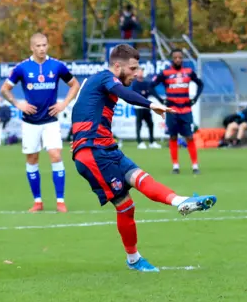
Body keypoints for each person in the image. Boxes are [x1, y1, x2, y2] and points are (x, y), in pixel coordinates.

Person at [71, 44, 216, 272]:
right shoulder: (106, 78)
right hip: (91, 151)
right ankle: (134, 260)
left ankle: (181, 201)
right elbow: (123, 94)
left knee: (139, 176)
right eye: (133, 68)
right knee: (125, 205)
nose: (137, 73)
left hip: (105, 147)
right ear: (117, 66)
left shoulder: (96, 80)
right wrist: (151, 104)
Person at [0, 33, 81, 213]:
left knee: (56, 156)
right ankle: (38, 202)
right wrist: (18, 103)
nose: (42, 48)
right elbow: (5, 89)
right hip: (30, 123)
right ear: (32, 48)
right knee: (32, 159)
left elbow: (75, 84)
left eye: (44, 45)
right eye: (38, 46)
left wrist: (64, 103)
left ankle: (60, 201)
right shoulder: (22, 68)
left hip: (51, 121)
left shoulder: (57, 66)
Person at [151, 49, 204, 174]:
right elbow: (151, 86)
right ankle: (175, 166)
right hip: (171, 111)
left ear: (183, 59)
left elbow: (200, 84)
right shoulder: (165, 73)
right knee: (173, 136)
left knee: (189, 137)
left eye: (180, 57)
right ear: (172, 59)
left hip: (186, 110)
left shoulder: (189, 72)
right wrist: (160, 100)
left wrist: (195, 98)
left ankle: (195, 166)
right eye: (175, 57)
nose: (178, 59)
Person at [131, 67, 161, 149]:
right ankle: (139, 142)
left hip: (147, 106)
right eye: (140, 71)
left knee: (151, 123)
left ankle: (152, 142)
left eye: (142, 72)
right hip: (138, 107)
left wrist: (144, 92)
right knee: (139, 124)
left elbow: (150, 92)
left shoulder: (146, 83)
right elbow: (137, 94)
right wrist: (143, 92)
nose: (141, 73)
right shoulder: (135, 83)